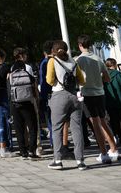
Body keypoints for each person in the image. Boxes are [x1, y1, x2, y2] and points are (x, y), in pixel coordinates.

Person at [76, 35, 120, 163]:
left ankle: (103, 153)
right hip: (100, 93)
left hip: (87, 94)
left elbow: (77, 78)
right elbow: (107, 78)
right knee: (103, 122)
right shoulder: (98, 58)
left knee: (96, 125)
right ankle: (114, 149)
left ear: (79, 45)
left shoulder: (79, 60)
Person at [44, 40, 84, 171]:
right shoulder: (73, 61)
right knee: (77, 128)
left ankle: (58, 160)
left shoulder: (52, 61)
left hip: (59, 95)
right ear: (66, 49)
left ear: (53, 50)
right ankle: (80, 160)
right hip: (74, 96)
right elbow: (81, 80)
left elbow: (49, 81)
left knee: (57, 128)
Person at [8, 47, 39, 159]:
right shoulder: (27, 67)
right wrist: (36, 98)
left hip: (15, 102)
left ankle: (23, 151)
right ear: (21, 55)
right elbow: (34, 84)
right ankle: (32, 151)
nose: (26, 57)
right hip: (27, 101)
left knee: (19, 128)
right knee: (32, 127)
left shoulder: (11, 68)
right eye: (25, 55)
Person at [38, 41, 53, 153]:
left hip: (47, 94)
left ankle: (55, 142)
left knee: (51, 120)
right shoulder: (48, 62)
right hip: (50, 94)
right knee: (52, 121)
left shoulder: (44, 63)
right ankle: (55, 142)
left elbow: (43, 81)